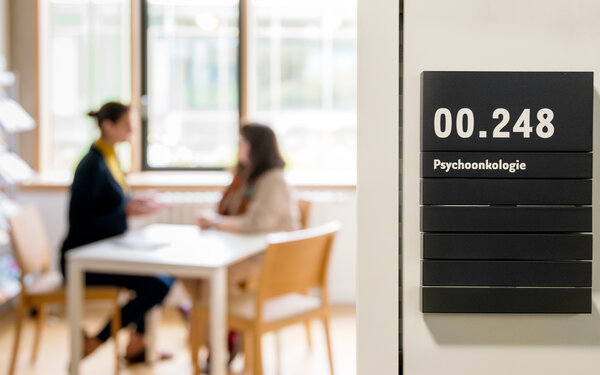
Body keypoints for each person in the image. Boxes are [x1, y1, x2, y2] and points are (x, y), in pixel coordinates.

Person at [60, 101, 173, 363]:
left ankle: (137, 343)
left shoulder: (109, 158)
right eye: (126, 125)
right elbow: (81, 220)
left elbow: (115, 202)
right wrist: (127, 212)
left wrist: (136, 204)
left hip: (108, 251)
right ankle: (100, 340)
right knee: (157, 283)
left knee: (162, 277)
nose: (132, 130)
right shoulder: (91, 165)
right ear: (107, 126)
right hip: (85, 259)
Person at [194, 123, 300, 365]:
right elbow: (230, 210)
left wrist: (216, 222)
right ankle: (220, 333)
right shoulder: (245, 177)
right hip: (242, 250)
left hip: (268, 259)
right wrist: (217, 219)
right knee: (195, 279)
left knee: (212, 281)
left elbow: (255, 223)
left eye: (243, 142)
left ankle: (216, 345)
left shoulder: (273, 180)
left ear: (256, 147)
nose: (238, 147)